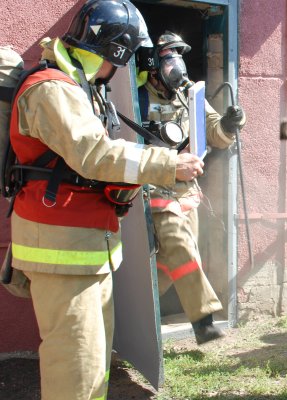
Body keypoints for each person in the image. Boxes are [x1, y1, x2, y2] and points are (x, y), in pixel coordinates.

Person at [7, 1, 205, 398]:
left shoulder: (79, 88)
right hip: (62, 251)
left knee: (94, 365)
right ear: (114, 53)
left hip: (86, 249)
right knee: (75, 370)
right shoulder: (52, 90)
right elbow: (94, 155)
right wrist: (166, 163)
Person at [137, 31, 246, 345]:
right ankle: (203, 320)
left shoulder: (189, 94)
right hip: (153, 187)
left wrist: (228, 123)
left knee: (174, 263)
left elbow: (214, 133)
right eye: (168, 58)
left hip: (186, 189)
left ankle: (132, 313)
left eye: (178, 57)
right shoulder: (136, 96)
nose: (177, 66)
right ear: (153, 64)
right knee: (181, 247)